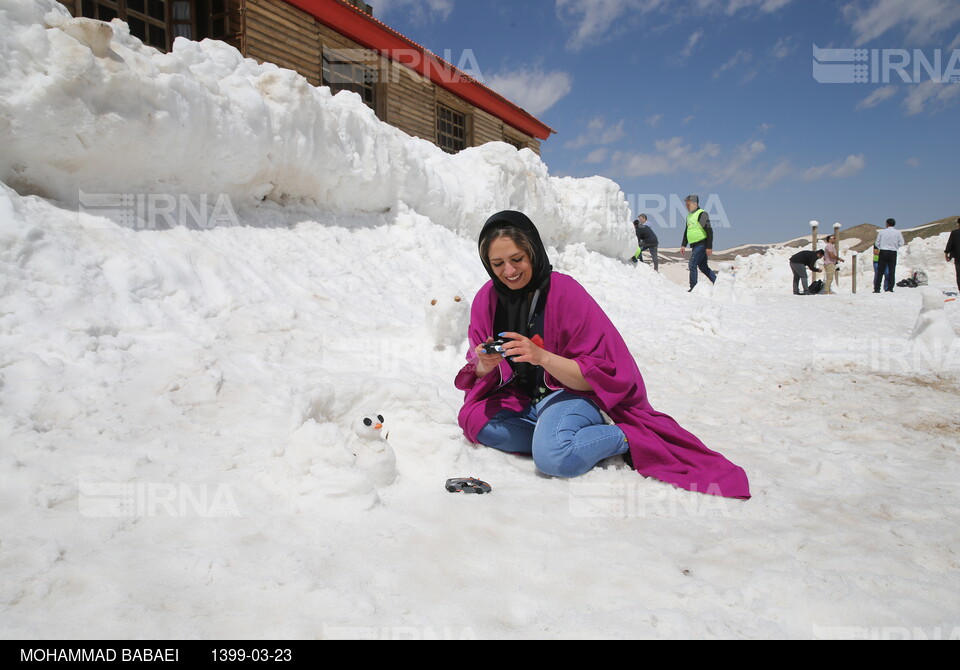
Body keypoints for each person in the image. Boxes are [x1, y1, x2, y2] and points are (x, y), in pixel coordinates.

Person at [454, 210, 751, 499]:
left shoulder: (565, 292)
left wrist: (542, 357)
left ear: (533, 251)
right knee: (475, 421)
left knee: (553, 459)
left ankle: (627, 437)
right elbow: (480, 373)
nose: (509, 271)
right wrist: (485, 364)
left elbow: (600, 375)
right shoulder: (487, 300)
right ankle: (561, 436)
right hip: (522, 398)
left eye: (517, 259)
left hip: (570, 392)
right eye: (498, 264)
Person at [679, 195, 716, 292]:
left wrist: (709, 247)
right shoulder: (689, 216)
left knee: (692, 264)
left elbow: (709, 230)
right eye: (686, 205)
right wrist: (683, 245)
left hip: (702, 244)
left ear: (695, 204)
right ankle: (717, 283)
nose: (687, 207)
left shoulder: (702, 214)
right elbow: (687, 231)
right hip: (695, 245)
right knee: (703, 267)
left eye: (688, 204)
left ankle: (694, 287)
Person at [874, 218, 905, 293]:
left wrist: (881, 247)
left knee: (880, 271)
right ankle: (890, 288)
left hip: (883, 252)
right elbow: (902, 243)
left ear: (887, 224)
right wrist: (895, 247)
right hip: (893, 252)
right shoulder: (898, 232)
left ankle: (877, 288)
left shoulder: (882, 232)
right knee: (892, 270)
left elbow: (877, 243)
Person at [946, 217, 960, 292]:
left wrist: (946, 253)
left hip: (958, 257)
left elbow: (950, 244)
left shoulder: (954, 233)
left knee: (959, 274)